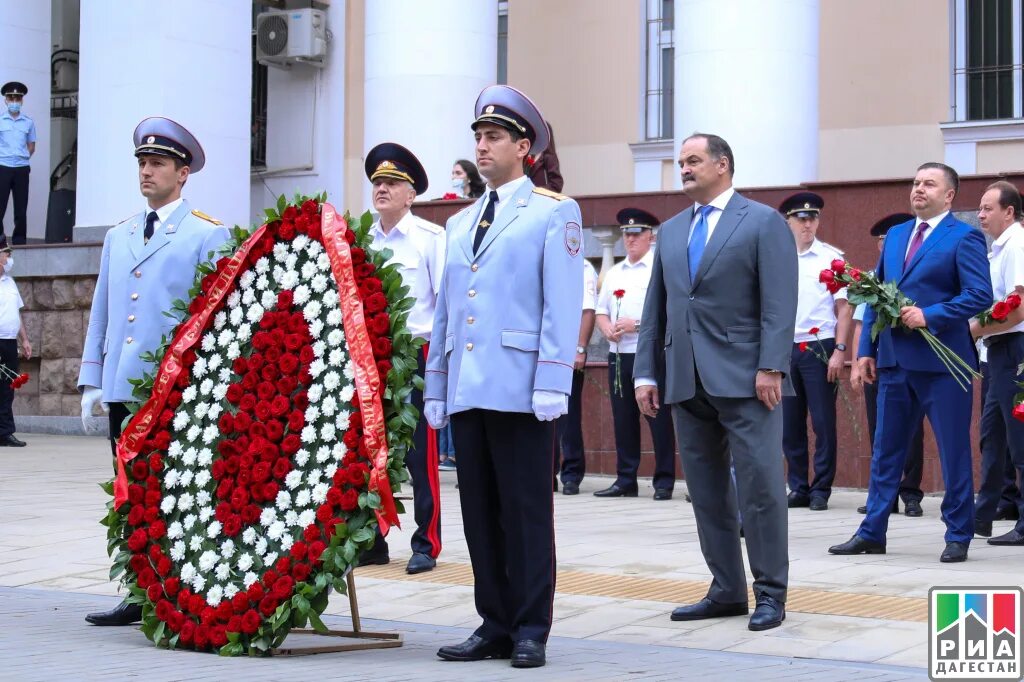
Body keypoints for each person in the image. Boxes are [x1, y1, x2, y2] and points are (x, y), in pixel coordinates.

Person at [424, 84, 583, 669]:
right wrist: (437, 385)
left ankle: (530, 627)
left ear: (524, 146)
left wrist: (551, 381)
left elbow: (560, 305)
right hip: (469, 386)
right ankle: (492, 620)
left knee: (525, 510)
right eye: (478, 137)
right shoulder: (461, 222)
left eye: (493, 137)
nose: (482, 147)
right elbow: (446, 313)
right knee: (480, 513)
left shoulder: (551, 211)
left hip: (520, 388)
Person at [635, 133, 797, 632]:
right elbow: (655, 307)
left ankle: (770, 593)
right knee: (706, 492)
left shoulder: (762, 221)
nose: (683, 169)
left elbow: (779, 298)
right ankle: (726, 590)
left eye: (693, 160)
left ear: (722, 165)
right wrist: (646, 370)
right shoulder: (674, 228)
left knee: (761, 489)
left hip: (748, 379)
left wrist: (772, 364)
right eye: (680, 162)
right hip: (686, 379)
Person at [80, 117, 230, 625]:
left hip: (174, 390)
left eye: (158, 163)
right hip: (126, 387)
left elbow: (215, 319)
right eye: (142, 163)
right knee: (129, 489)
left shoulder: (207, 235)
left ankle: (176, 592)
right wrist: (93, 377)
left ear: (182, 173)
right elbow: (103, 307)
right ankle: (137, 588)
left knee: (174, 491)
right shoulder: (118, 235)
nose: (147, 172)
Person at [829, 162, 991, 563]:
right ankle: (872, 531)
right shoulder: (899, 234)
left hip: (944, 366)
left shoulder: (964, 237)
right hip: (895, 362)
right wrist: (866, 350)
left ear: (949, 195)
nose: (919, 189)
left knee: (953, 451)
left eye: (928, 184)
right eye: (916, 183)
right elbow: (874, 295)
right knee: (886, 450)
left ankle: (958, 533)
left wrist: (930, 315)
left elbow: (980, 295)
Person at [359, 142, 446, 574]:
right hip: (371, 355)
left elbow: (445, 306)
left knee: (418, 455)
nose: (382, 189)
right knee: (369, 450)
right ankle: (371, 539)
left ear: (411, 195)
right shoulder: (361, 241)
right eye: (377, 182)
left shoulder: (430, 239)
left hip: (416, 353)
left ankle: (426, 541)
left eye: (392, 183)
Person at [594, 208, 676, 500]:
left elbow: (668, 312)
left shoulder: (659, 268)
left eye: (636, 234)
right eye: (626, 234)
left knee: (658, 416)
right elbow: (601, 311)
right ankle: (625, 478)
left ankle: (664, 480)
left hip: (650, 351)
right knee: (623, 418)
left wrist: (636, 324)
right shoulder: (615, 272)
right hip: (619, 353)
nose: (630, 239)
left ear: (650, 236)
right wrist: (606, 330)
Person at [778, 192, 852, 512]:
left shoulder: (832, 259)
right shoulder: (778, 257)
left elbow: (844, 308)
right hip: (784, 347)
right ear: (788, 221)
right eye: (801, 218)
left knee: (822, 422)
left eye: (813, 218)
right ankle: (798, 486)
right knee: (789, 424)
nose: (808, 224)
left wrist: (839, 350)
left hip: (820, 345)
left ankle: (821, 487)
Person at [850, 213, 925, 517]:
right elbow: (861, 324)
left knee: (913, 430)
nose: (885, 245)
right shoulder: (872, 279)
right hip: (881, 361)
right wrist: (858, 361)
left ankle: (910, 492)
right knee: (879, 429)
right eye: (882, 240)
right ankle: (883, 494)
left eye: (888, 239)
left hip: (914, 360)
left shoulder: (918, 273)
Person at [969, 180, 1024, 545]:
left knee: (1019, 438)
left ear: (1009, 211)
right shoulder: (998, 249)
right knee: (992, 435)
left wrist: (971, 330)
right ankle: (985, 513)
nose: (981, 214)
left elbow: (1018, 306)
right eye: (980, 207)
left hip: (1016, 347)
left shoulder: (1017, 244)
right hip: (997, 351)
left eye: (988, 208)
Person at [557, 256, 597, 495]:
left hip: (567, 350)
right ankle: (546, 472)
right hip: (540, 349)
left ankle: (571, 473)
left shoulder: (580, 266)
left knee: (569, 416)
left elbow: (588, 309)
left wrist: (580, 347)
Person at [0, 237, 30, 446]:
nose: (10, 258)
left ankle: (5, 431)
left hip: (9, 342)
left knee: (8, 387)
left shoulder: (10, 282)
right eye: (6, 254)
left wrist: (25, 339)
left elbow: (16, 313)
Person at [0, 82, 36, 245]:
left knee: (21, 208)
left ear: (22, 101)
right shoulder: (0, 120)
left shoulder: (28, 122)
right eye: (11, 97)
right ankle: (0, 238)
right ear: (6, 100)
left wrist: (22, 157)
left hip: (21, 168)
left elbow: (31, 145)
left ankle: (20, 240)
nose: (14, 100)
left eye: (17, 98)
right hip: (3, 167)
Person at [527, 121, 563, 193]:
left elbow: (556, 184)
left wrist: (535, 192)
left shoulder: (549, 157)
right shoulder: (529, 154)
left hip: (543, 199)